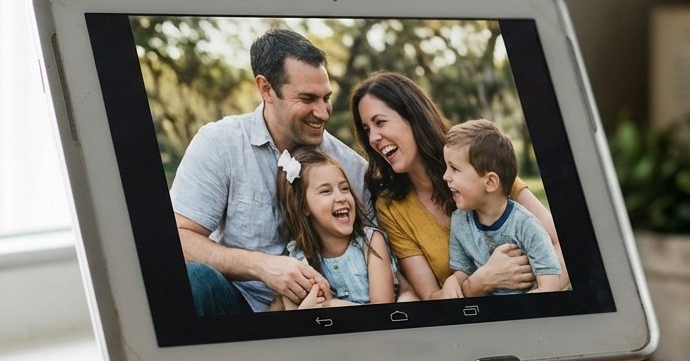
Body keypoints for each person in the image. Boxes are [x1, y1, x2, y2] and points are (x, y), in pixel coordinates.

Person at [170, 28, 369, 314]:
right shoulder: (220, 143)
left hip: (325, 309)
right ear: (266, 89)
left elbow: (375, 248)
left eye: (326, 98)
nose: (323, 112)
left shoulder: (349, 167)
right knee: (194, 279)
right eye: (307, 99)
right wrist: (262, 267)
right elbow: (178, 238)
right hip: (239, 306)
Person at [349, 71, 568, 300]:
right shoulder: (392, 206)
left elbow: (560, 243)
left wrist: (538, 301)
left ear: (413, 117)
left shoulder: (477, 156)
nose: (373, 138)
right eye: (367, 130)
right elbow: (431, 296)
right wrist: (481, 282)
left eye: (380, 122)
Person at [271, 145, 411, 308]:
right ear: (303, 206)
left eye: (344, 188)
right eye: (326, 191)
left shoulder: (370, 242)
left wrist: (330, 305)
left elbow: (381, 312)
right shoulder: (299, 260)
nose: (341, 197)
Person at [442, 120, 562, 295]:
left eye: (454, 169)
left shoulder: (525, 225)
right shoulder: (460, 221)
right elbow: (462, 271)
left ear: (490, 182)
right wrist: (452, 281)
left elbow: (550, 285)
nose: (445, 176)